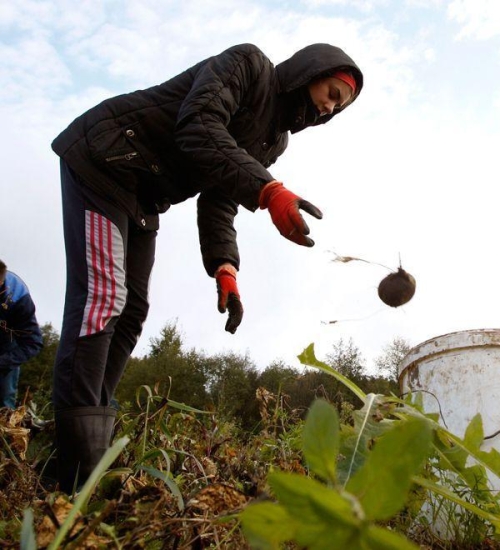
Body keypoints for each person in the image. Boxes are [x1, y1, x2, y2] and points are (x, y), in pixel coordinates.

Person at [50, 43, 363, 491]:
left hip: (143, 194)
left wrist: (225, 267)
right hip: (106, 159)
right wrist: (268, 190)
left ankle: (90, 445)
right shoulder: (248, 65)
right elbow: (197, 126)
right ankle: (75, 468)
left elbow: (220, 198)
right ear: (307, 73)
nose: (330, 106)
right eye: (332, 91)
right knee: (103, 296)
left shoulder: (275, 139)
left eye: (339, 104)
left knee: (132, 311)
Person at [0, 260, 44, 409]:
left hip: (6, 347)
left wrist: (3, 362)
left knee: (4, 403)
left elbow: (33, 343)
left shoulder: (19, 298)